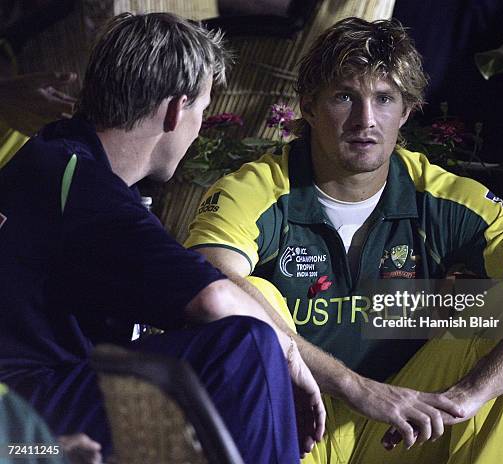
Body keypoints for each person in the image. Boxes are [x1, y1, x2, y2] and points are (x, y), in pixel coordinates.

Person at [185, 17, 503, 463]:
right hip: (298, 427)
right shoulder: (256, 189)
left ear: (407, 111)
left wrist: (468, 397)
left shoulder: (441, 196)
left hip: (405, 428)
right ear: (309, 107)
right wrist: (358, 390)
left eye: (384, 98)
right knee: (248, 295)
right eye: (344, 97)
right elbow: (206, 281)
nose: (365, 120)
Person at [0, 12, 325, 463]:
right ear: (176, 109)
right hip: (18, 423)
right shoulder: (84, 188)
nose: (198, 128)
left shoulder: (57, 158)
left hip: (35, 399)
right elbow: (213, 301)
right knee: (247, 344)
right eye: (203, 110)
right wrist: (290, 356)